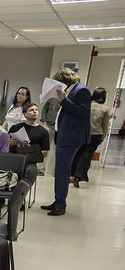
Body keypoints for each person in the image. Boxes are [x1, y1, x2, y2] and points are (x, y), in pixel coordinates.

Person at [41, 67, 91, 216]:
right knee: (60, 170)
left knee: (62, 170)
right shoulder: (74, 90)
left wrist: (64, 100)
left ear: (65, 80)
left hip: (71, 136)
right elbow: (74, 109)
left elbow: (82, 111)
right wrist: (62, 106)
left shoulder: (82, 90)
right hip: (65, 134)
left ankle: (60, 205)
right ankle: (58, 201)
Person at [71, 87, 110, 187]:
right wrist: (102, 138)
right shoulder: (105, 109)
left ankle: (72, 174)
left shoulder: (87, 105)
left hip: (83, 133)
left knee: (77, 153)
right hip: (96, 135)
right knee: (87, 156)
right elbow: (105, 126)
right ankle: (78, 176)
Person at [8, 103, 49, 185]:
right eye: (31, 110)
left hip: (30, 161)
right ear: (25, 114)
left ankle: (20, 195)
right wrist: (10, 143)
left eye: (36, 110)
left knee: (32, 171)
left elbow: (45, 152)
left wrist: (31, 149)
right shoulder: (15, 128)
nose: (35, 112)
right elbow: (5, 145)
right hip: (14, 158)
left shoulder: (43, 132)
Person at [40, 97, 59, 176]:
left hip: (59, 129)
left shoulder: (67, 102)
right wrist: (44, 121)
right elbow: (44, 110)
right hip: (48, 126)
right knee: (45, 148)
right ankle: (41, 169)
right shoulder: (51, 100)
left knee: (55, 151)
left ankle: (54, 171)